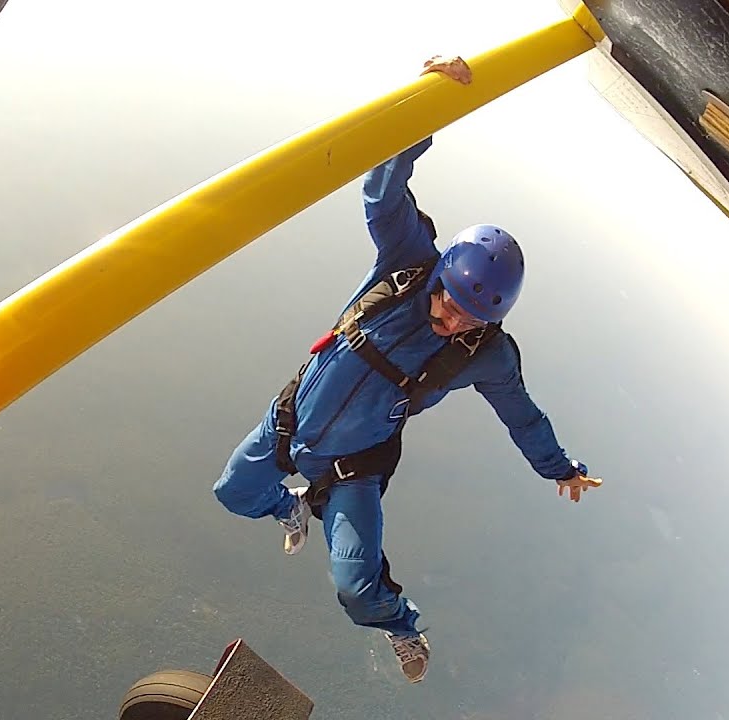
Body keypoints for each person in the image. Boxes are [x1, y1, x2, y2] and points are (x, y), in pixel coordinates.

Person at [212, 55, 601, 684]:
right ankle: (287, 510)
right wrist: (428, 105)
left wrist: (561, 468)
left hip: (352, 469)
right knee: (233, 493)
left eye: (469, 320)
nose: (450, 322)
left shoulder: (484, 354)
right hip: (290, 424)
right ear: (441, 273)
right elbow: (383, 186)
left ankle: (401, 627)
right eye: (448, 302)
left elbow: (522, 416)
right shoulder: (407, 262)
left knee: (357, 584)